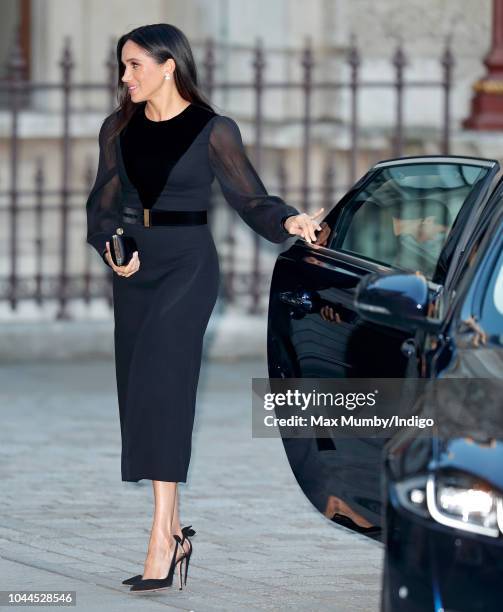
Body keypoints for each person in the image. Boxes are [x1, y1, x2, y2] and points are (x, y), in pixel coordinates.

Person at [85, 23, 323, 594]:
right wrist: (111, 249)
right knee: (138, 388)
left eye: (135, 65)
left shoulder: (214, 130)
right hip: (136, 272)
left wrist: (288, 220)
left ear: (169, 65)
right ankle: (171, 527)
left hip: (188, 267)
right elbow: (102, 206)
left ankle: (160, 537)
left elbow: (250, 198)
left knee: (163, 382)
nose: (125, 77)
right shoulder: (117, 127)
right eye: (123, 66)